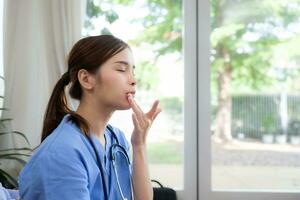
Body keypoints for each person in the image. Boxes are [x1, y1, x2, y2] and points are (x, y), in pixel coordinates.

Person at [18, 35, 161, 200]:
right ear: (86, 79)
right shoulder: (62, 153)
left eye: (133, 71)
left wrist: (139, 144)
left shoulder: (116, 139)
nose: (133, 80)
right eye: (122, 69)